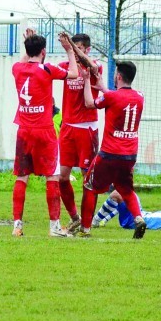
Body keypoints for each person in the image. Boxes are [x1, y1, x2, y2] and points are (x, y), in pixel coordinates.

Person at [10, 29, 79, 237]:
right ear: (44, 51)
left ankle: (17, 226)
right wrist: (69, 51)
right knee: (52, 177)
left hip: (23, 131)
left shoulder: (17, 68)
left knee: (22, 178)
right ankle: (55, 226)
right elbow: (74, 73)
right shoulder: (47, 69)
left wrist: (27, 44)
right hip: (44, 131)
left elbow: (25, 60)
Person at [78, 61, 146, 239]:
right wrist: (103, 88)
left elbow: (89, 103)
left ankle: (85, 229)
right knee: (126, 189)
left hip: (109, 153)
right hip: (130, 155)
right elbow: (118, 99)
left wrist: (86, 80)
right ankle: (138, 218)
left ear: (118, 76)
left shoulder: (112, 97)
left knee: (89, 186)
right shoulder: (140, 96)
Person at [57, 33, 104, 234]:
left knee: (88, 177)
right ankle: (75, 217)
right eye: (73, 48)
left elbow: (91, 67)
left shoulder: (95, 66)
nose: (75, 53)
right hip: (68, 127)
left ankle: (87, 222)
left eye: (79, 49)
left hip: (87, 128)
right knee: (62, 176)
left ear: (87, 49)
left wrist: (71, 49)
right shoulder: (65, 64)